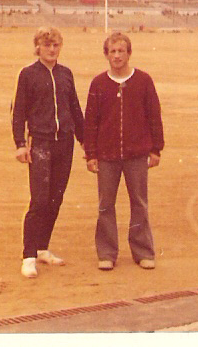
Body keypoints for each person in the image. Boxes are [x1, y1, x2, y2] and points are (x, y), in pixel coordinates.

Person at [84, 32, 164, 271]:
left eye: (121, 51)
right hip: (107, 156)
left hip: (136, 154)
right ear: (106, 55)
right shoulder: (98, 84)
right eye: (112, 51)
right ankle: (107, 252)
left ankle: (143, 251)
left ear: (129, 53)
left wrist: (156, 148)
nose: (117, 56)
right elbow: (91, 122)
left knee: (139, 203)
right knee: (105, 204)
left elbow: (154, 116)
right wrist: (91, 154)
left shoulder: (143, 81)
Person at [11, 26, 84, 278]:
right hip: (40, 143)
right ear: (38, 47)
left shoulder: (66, 74)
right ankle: (28, 255)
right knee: (39, 200)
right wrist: (20, 143)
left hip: (65, 143)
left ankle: (43, 247)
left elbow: (75, 109)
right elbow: (18, 111)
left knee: (56, 199)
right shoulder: (28, 75)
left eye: (55, 45)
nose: (52, 49)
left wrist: (86, 142)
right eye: (47, 45)